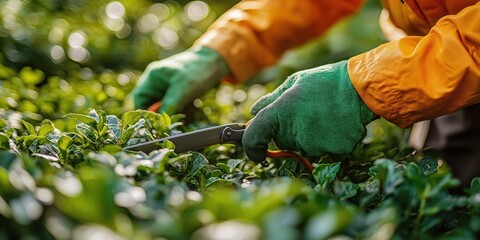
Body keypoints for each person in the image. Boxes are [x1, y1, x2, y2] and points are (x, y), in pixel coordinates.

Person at [133, 0, 480, 187]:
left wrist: (369, 85)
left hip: (444, 65)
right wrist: (226, 46)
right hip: (441, 69)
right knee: (440, 188)